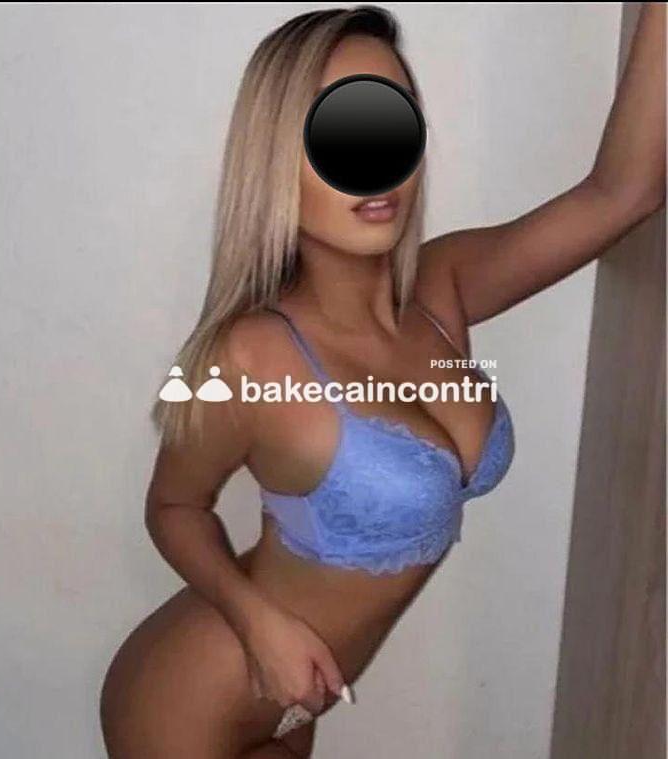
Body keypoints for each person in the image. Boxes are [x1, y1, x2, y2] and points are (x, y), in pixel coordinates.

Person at [99, 5, 665, 758]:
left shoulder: (443, 286)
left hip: (293, 708)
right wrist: (257, 622)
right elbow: (173, 506)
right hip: (187, 706)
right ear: (276, 159)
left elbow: (623, 193)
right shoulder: (252, 355)